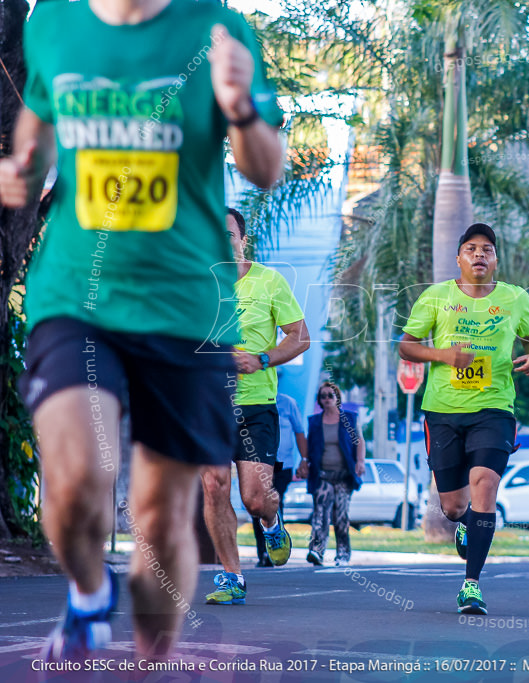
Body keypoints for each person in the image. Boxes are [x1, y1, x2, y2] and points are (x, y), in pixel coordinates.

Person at [0, 0, 283, 660]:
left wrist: (239, 108)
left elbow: (267, 167)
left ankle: (151, 660)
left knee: (158, 529)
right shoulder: (53, 24)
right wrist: (21, 169)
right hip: (76, 296)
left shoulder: (218, 31)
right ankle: (88, 591)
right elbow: (38, 129)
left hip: (183, 308)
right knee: (75, 488)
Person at [399, 223, 529, 615]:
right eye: (471, 248)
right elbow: (407, 346)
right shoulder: (436, 296)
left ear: (496, 259)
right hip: (443, 410)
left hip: (494, 407)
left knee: (484, 484)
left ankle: (471, 584)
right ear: (459, 258)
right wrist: (443, 356)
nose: (479, 254)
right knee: (451, 507)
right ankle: (464, 520)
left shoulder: (515, 298)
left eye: (487, 249)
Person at [201, 208, 310, 604]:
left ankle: (271, 520)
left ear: (242, 240)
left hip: (255, 405)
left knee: (255, 497)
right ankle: (233, 578)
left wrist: (262, 359)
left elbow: (300, 337)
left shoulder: (269, 281)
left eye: (228, 234)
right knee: (214, 487)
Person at [299, 382, 365, 567]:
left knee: (341, 516)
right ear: (319, 400)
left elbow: (359, 441)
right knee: (320, 514)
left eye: (330, 395)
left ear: (337, 398)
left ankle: (343, 553)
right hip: (322, 475)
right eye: (323, 396)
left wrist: (360, 461)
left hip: (343, 476)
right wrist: (304, 462)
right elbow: (308, 445)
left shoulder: (349, 419)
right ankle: (317, 551)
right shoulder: (314, 422)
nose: (327, 399)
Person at [253, 388, 308, 567]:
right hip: (259, 462)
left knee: (274, 501)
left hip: (283, 464)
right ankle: (263, 552)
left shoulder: (288, 403)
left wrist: (304, 460)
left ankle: (276, 542)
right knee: (257, 504)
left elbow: (299, 432)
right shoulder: (253, 400)